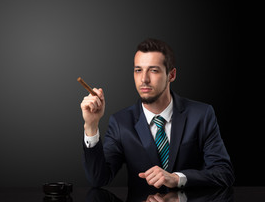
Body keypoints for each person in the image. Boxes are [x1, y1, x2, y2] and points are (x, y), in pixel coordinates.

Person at [80, 38, 234, 189]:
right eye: (138, 70)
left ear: (171, 75)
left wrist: (177, 178)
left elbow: (224, 173)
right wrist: (91, 126)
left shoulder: (201, 115)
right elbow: (98, 179)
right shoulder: (121, 122)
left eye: (153, 70)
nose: (144, 79)